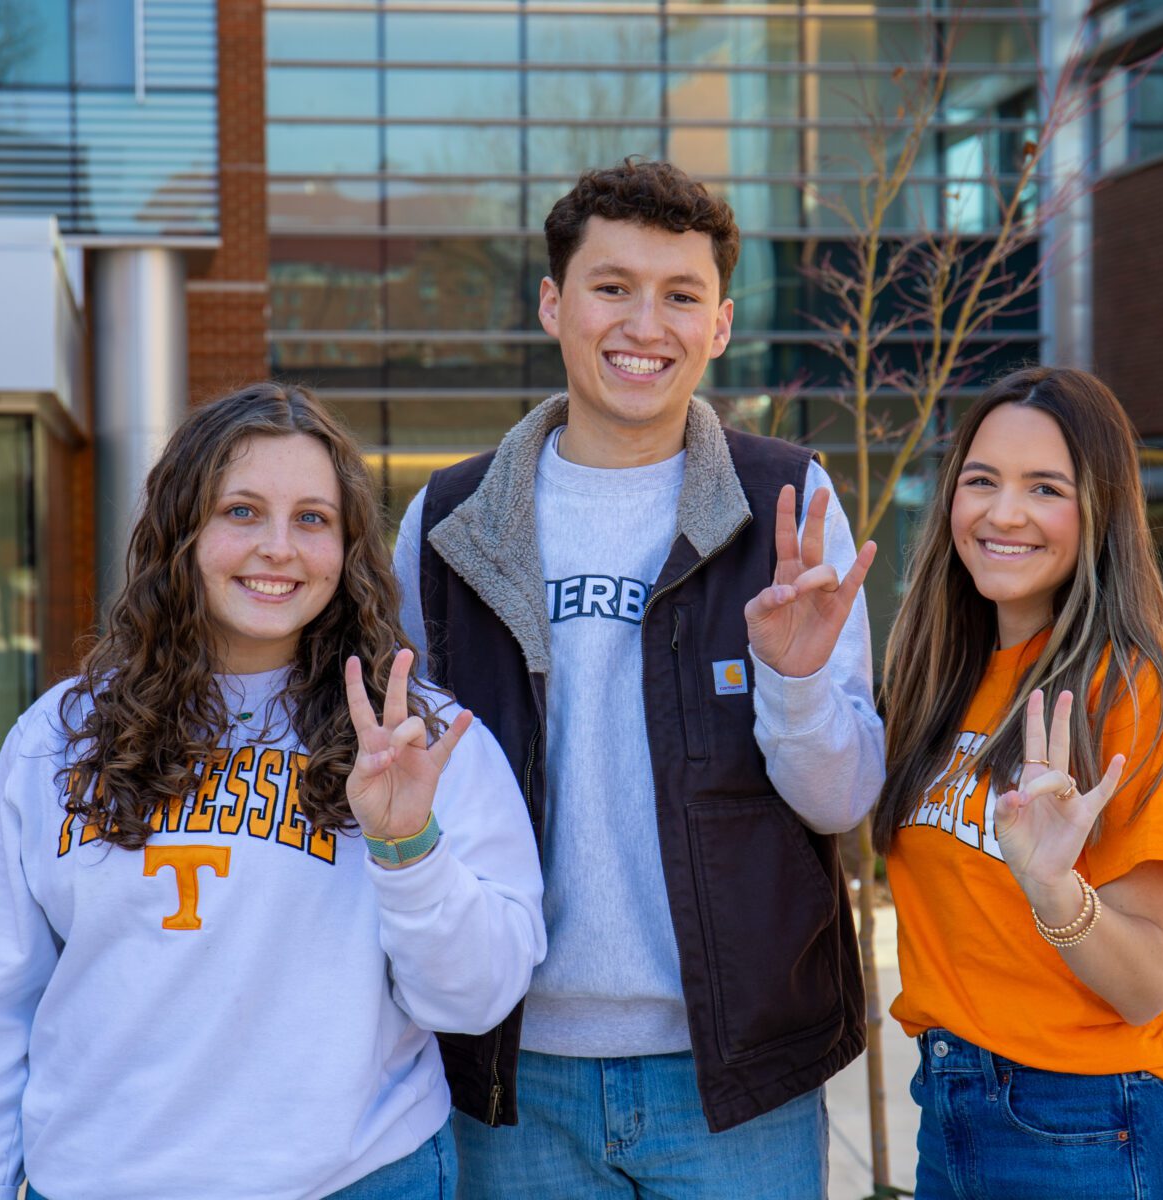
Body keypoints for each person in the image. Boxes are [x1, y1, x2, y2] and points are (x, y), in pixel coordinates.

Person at [392, 159, 885, 1198]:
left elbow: (839, 800)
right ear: (551, 303)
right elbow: (396, 792)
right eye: (611, 286)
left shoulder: (788, 504)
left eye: (680, 295)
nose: (642, 324)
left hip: (736, 1075)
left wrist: (793, 685)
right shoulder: (446, 525)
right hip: (511, 1070)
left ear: (718, 324)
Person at [0, 383, 545, 1200]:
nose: (278, 548)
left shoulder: (418, 739)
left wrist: (409, 849)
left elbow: (475, 999)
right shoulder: (59, 736)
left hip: (354, 1180)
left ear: (349, 545)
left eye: (313, 519)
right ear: (182, 530)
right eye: (242, 512)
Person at [875, 366, 1163, 1200]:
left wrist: (1055, 890)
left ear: (1099, 509)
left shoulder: (1133, 687)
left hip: (1091, 1128)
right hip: (951, 1106)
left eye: (1045, 488)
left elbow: (1143, 985)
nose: (1004, 513)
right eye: (982, 481)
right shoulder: (942, 675)